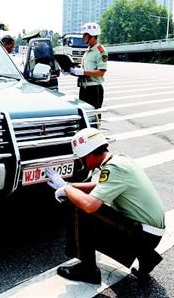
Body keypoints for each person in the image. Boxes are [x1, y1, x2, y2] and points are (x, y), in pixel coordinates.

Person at [45, 127, 165, 284]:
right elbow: (98, 184)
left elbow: (89, 205)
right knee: (80, 199)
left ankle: (88, 270)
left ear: (87, 156)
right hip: (148, 232)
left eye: (80, 158)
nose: (80, 162)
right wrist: (68, 185)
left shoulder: (113, 169)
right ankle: (146, 256)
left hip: (143, 235)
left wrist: (67, 190)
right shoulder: (120, 160)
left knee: (80, 206)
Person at [70, 22, 108, 110]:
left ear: (92, 35)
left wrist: (83, 72)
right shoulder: (87, 51)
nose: (83, 37)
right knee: (83, 115)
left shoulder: (101, 51)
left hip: (94, 89)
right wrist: (76, 70)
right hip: (84, 88)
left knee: (93, 118)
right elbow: (86, 68)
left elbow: (101, 72)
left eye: (85, 34)